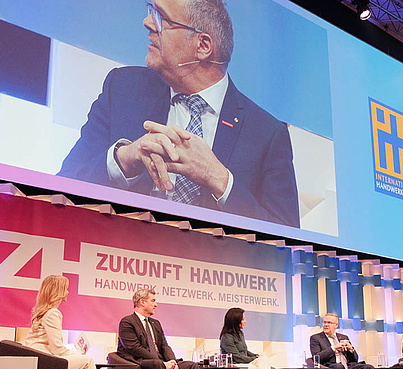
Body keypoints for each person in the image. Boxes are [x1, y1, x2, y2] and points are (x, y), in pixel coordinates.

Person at [58, 0, 300, 228]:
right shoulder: (122, 89)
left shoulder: (267, 133)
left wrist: (221, 181)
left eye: (162, 18)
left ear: (203, 46)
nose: (148, 23)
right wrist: (123, 160)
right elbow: (61, 187)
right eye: (151, 11)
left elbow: (287, 239)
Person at [23, 275, 105, 369]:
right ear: (58, 291)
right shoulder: (53, 313)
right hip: (45, 361)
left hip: (39, 359)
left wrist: (76, 354)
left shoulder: (43, 312)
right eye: (66, 289)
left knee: (84, 362)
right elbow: (57, 349)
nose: (68, 292)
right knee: (87, 361)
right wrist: (77, 353)